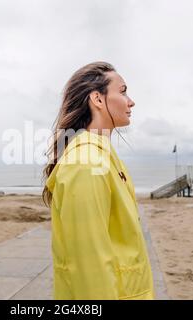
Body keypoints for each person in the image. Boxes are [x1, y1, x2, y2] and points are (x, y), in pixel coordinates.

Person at [42, 61, 155, 300]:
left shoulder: (105, 157)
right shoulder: (86, 162)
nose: (131, 101)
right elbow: (88, 265)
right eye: (123, 91)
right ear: (98, 99)